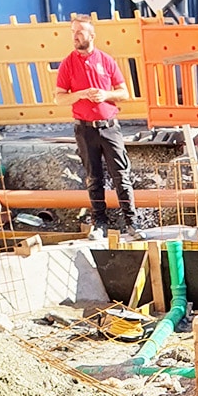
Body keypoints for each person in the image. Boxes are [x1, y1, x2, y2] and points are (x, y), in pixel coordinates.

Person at [55, 16, 141, 241]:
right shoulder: (68, 63)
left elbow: (124, 93)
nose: (76, 36)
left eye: (80, 32)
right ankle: (99, 223)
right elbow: (59, 98)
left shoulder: (106, 60)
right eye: (74, 32)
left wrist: (106, 95)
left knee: (121, 175)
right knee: (94, 177)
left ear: (92, 36)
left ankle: (131, 222)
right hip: (85, 129)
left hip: (109, 127)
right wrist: (80, 94)